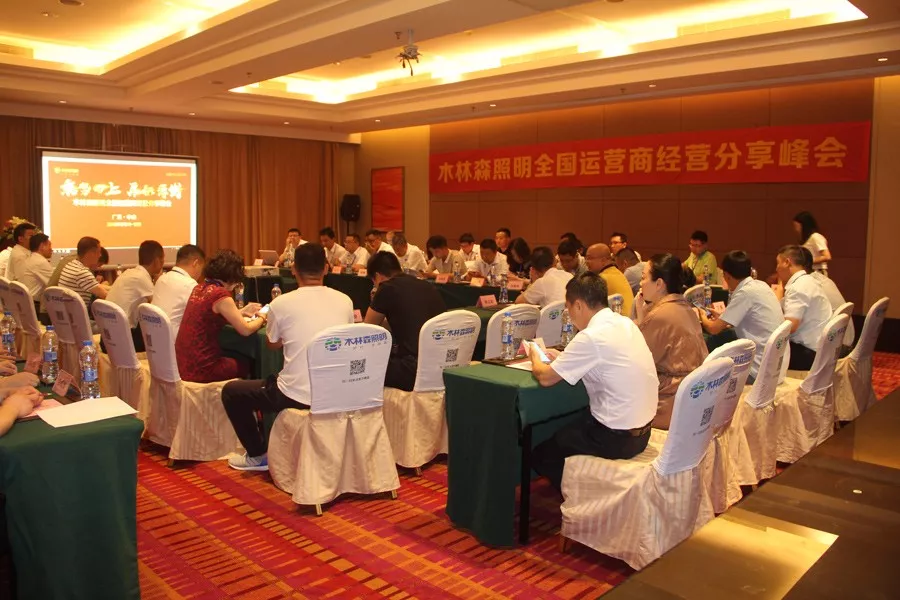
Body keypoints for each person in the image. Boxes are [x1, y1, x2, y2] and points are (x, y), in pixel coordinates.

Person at [221, 244, 354, 471]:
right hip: (337, 391)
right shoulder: (345, 301)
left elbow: (272, 344)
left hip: (296, 395)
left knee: (232, 392)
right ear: (326, 268)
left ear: (293, 269)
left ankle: (258, 455)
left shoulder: (280, 303)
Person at [529, 273, 658, 491]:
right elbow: (603, 360)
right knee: (574, 424)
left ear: (578, 305)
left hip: (617, 440)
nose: (570, 316)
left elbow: (545, 378)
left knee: (542, 455)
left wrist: (534, 354)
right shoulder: (625, 323)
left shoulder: (590, 336)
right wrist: (564, 358)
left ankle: (581, 498)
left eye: (569, 309)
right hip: (643, 433)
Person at [635, 254, 709, 429]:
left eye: (644, 278)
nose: (640, 283)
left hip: (670, 403)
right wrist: (643, 315)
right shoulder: (685, 308)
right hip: (695, 397)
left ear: (659, 284)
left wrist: (643, 317)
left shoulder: (660, 315)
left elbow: (638, 365)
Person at [175, 249, 265, 383]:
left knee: (232, 353)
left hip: (183, 363)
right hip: (202, 368)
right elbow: (245, 330)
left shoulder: (199, 288)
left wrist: (241, 312)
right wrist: (263, 317)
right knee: (248, 363)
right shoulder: (220, 294)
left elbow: (210, 314)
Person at [364, 251, 446, 391]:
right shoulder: (426, 285)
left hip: (412, 369)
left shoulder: (386, 287)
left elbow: (368, 328)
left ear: (377, 276)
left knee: (362, 368)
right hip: (440, 364)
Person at [698, 251, 784, 382]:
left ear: (726, 275)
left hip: (758, 371)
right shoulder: (761, 285)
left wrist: (702, 316)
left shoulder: (744, 292)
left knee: (711, 342)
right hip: (775, 366)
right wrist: (724, 317)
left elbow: (713, 328)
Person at [773, 245, 832, 370]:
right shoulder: (808, 281)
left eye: (778, 263)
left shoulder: (798, 287)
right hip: (820, 349)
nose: (776, 268)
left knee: (759, 350)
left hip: (808, 353)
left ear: (787, 262)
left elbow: (790, 327)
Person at [106, 240, 165, 350]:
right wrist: (160, 281)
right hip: (122, 339)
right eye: (162, 260)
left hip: (108, 337)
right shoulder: (141, 278)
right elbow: (159, 307)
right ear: (157, 261)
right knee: (163, 337)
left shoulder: (129, 272)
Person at [800, 247, 855, 347]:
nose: (777, 269)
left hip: (833, 345)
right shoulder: (823, 279)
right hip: (844, 340)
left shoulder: (807, 284)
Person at [151, 244, 205, 338]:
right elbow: (203, 315)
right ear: (195, 263)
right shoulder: (190, 284)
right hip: (175, 342)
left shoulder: (161, 279)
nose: (200, 274)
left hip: (155, 339)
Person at [584, 243, 634, 316]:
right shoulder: (617, 272)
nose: (586, 262)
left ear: (603, 260)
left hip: (619, 320)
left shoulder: (602, 278)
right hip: (628, 320)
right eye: (586, 258)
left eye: (589, 258)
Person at [59, 236, 108, 308]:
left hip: (68, 312)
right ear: (91, 253)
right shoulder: (82, 273)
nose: (100, 255)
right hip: (79, 314)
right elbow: (106, 295)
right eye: (99, 252)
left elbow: (96, 286)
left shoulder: (70, 265)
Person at [794, 211, 831, 277]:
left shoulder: (816, 237)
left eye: (797, 226)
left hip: (818, 272)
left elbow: (827, 256)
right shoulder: (806, 239)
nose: (796, 229)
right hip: (810, 272)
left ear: (804, 226)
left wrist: (808, 261)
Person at [21, 233, 53, 302]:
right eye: (49, 245)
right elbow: (54, 283)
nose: (51, 249)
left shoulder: (31, 258)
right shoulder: (40, 262)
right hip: (35, 304)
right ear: (42, 246)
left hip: (26, 301)